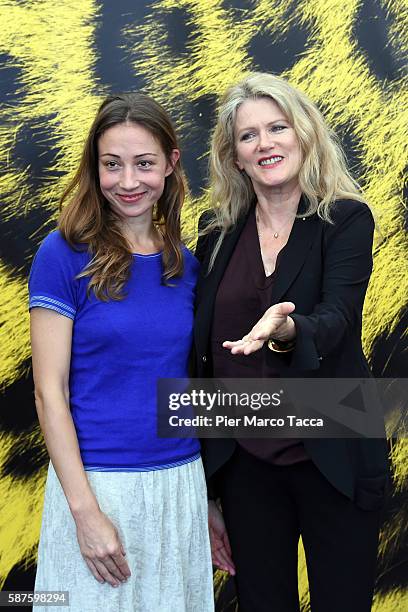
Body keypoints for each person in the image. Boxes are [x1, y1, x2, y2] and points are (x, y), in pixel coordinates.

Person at [194, 73, 389, 612]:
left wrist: (287, 330)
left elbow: (337, 319)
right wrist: (210, 487)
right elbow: (203, 360)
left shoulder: (344, 219)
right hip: (246, 468)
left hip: (334, 455)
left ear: (303, 134)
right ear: (234, 156)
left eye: (277, 127)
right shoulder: (213, 240)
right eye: (248, 136)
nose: (266, 144)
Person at [29, 93, 214, 612]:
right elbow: (48, 394)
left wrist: (209, 501)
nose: (128, 181)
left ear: (171, 163)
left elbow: (190, 389)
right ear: (95, 166)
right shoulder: (61, 253)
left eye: (144, 163)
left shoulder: (189, 265)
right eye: (112, 164)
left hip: (180, 485)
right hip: (95, 487)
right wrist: (86, 514)